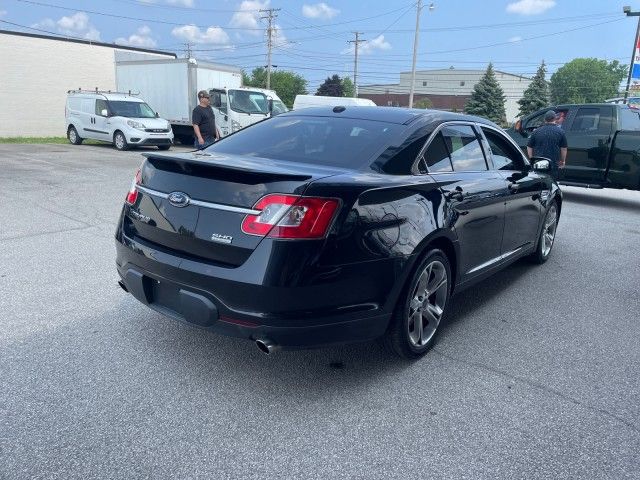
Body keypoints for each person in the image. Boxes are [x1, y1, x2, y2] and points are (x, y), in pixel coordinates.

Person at [527, 110, 567, 180]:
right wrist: (563, 161)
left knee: (540, 181)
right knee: (551, 181)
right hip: (553, 163)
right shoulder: (560, 132)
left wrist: (531, 159)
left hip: (539, 162)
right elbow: (563, 148)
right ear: (555, 119)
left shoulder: (536, 131)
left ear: (545, 119)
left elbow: (529, 147)